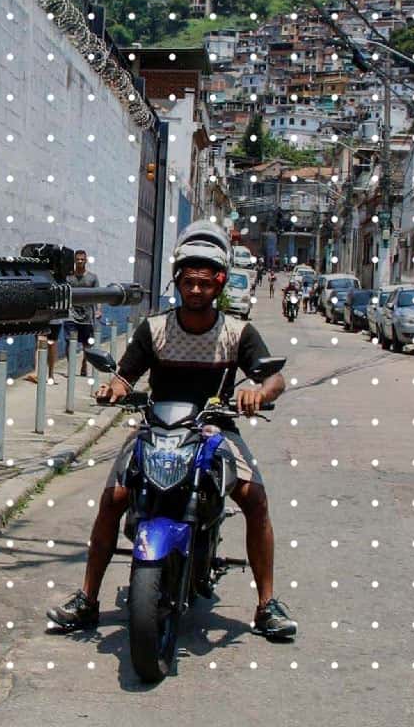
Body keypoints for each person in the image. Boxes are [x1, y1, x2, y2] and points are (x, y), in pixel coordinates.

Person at [44, 222, 298, 641]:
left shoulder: (237, 332)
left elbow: (275, 379)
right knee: (113, 500)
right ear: (177, 282)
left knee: (255, 500)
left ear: (218, 284)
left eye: (204, 283)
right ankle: (88, 599)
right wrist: (114, 388)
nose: (196, 291)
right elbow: (126, 375)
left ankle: (267, 603)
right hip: (156, 428)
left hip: (216, 431)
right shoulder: (154, 329)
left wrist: (259, 391)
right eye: (188, 282)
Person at [64, 249, 101, 377]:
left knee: (87, 344)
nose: (80, 261)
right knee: (70, 341)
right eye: (78, 259)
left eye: (82, 259)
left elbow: (98, 296)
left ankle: (85, 364)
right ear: (75, 260)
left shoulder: (92, 278)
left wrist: (98, 310)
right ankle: (70, 367)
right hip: (71, 314)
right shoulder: (68, 277)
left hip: (87, 316)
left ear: (85, 260)